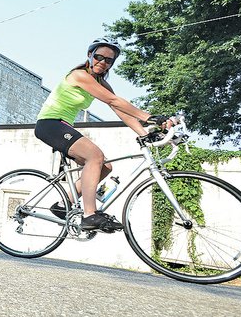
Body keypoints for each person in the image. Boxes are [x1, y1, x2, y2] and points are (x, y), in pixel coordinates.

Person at [34, 37, 175, 232]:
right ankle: (90, 215)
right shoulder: (79, 75)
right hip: (50, 124)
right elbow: (114, 100)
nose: (103, 62)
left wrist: (143, 133)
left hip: (64, 126)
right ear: (90, 56)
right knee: (95, 157)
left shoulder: (101, 83)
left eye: (109, 60)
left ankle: (63, 204)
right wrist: (150, 117)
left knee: (105, 166)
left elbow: (118, 108)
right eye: (99, 57)